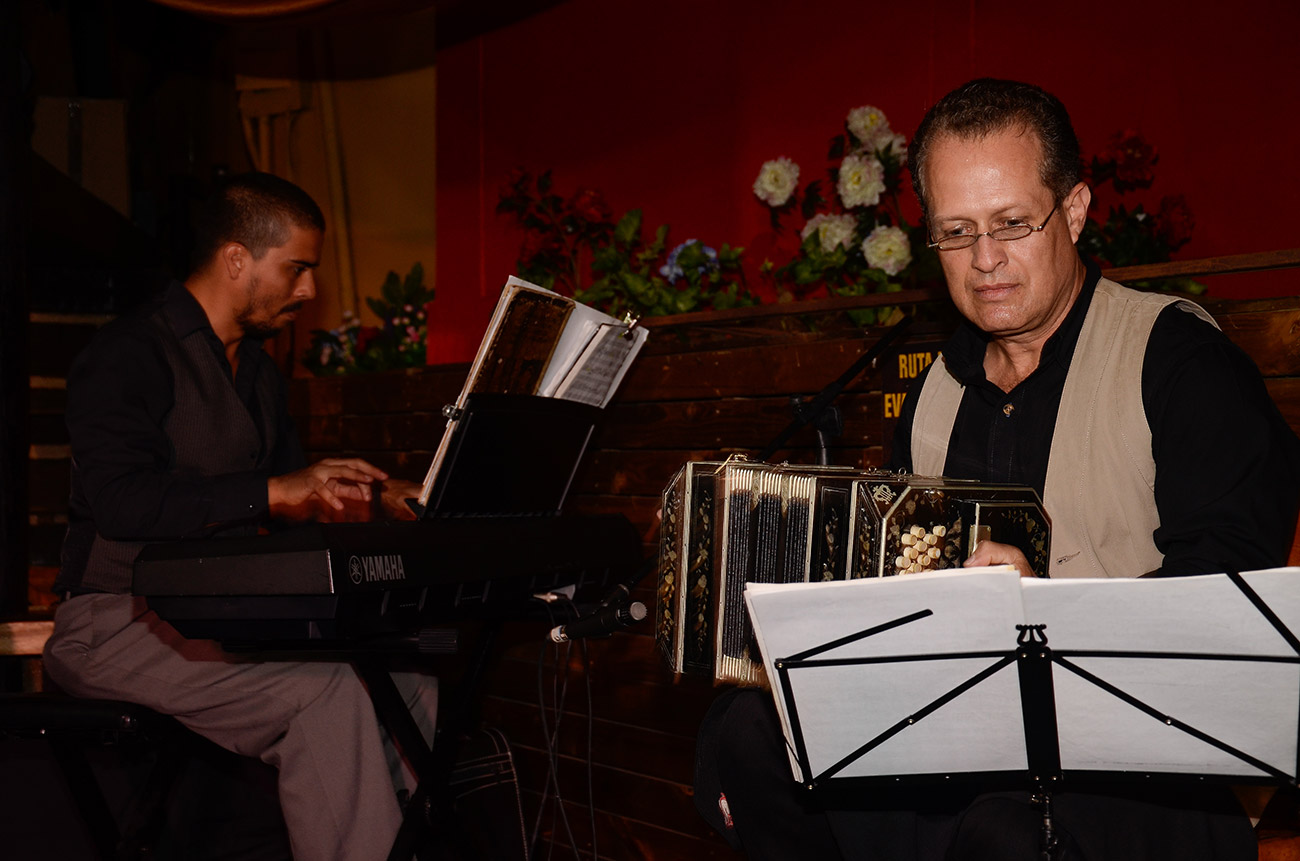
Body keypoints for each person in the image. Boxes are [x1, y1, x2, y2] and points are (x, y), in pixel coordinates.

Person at [696, 79, 1300, 860]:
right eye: (956, 232)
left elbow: (1229, 604)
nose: (985, 260)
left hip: (1152, 769)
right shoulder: (934, 392)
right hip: (970, 744)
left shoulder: (1183, 366)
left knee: (1000, 832)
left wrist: (1040, 613)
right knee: (748, 736)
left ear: (1074, 211)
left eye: (1012, 223)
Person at [43, 172, 437, 861]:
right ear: (236, 259)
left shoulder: (256, 373)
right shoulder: (128, 354)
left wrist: (380, 496)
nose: (309, 290)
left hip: (217, 612)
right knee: (327, 694)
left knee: (411, 684)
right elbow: (123, 503)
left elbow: (289, 499)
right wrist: (275, 491)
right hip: (112, 619)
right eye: (297, 268)